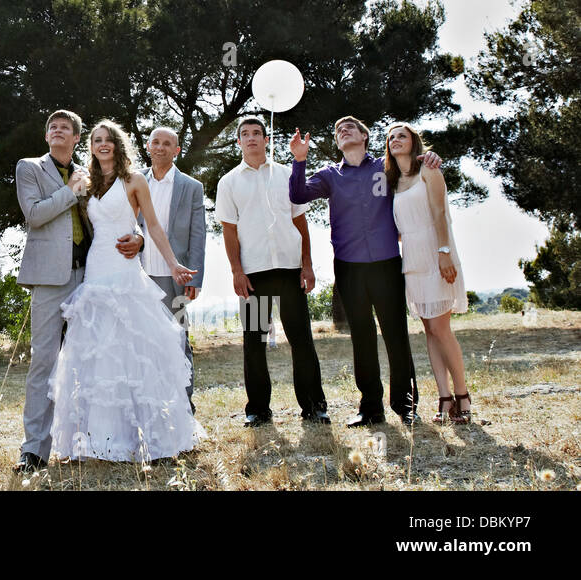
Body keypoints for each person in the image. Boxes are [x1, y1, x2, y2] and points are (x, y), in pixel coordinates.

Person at [48, 120, 202, 461]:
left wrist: (173, 263)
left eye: (108, 140)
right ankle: (99, 439)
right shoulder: (85, 183)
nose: (103, 144)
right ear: (90, 146)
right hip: (96, 269)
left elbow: (153, 226)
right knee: (98, 350)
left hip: (125, 270)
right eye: (96, 140)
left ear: (118, 145)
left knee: (132, 349)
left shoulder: (135, 180)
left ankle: (146, 438)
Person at [13, 109, 145, 472]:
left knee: (92, 360)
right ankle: (35, 449)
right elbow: (35, 215)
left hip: (91, 276)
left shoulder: (92, 175)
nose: (58, 131)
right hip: (49, 280)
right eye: (52, 127)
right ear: (47, 137)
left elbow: (118, 216)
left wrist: (141, 238)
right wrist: (71, 193)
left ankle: (90, 439)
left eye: (66, 128)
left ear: (76, 140)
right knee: (45, 362)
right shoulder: (30, 168)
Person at [289, 116, 441, 426]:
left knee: (396, 335)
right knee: (362, 337)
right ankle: (371, 408)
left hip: (387, 263)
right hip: (349, 268)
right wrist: (299, 160)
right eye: (338, 129)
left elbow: (416, 167)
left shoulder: (385, 168)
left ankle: (405, 405)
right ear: (337, 142)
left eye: (350, 128)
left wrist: (430, 157)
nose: (342, 130)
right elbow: (297, 195)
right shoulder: (330, 175)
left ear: (364, 137)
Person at [216, 117, 329, 427]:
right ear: (238, 142)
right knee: (254, 341)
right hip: (253, 276)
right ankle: (258, 410)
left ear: (266, 140)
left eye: (257, 133)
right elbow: (229, 230)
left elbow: (301, 223)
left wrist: (307, 264)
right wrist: (237, 271)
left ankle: (314, 407)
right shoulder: (228, 182)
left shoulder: (286, 175)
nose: (251, 138)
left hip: (290, 271)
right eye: (245, 134)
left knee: (301, 340)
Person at [384, 122, 471, 423]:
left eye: (402, 135)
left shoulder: (429, 171)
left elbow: (439, 214)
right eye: (391, 137)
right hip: (413, 259)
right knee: (430, 331)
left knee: (442, 329)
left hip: (437, 253)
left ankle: (463, 397)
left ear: (413, 142)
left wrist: (444, 252)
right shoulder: (393, 183)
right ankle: (444, 397)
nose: (395, 140)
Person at [130, 126, 207, 410]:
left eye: (167, 144)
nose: (160, 147)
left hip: (176, 276)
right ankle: (150, 405)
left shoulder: (191, 187)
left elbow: (198, 234)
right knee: (142, 344)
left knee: (178, 341)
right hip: (139, 276)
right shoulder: (133, 183)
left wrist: (195, 276)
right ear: (148, 147)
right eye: (156, 143)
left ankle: (184, 406)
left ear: (176, 150)